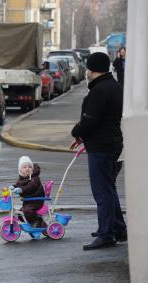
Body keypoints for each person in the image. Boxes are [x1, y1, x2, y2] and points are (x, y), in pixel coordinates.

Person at [70, 52, 127, 250]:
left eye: (87, 68)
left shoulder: (99, 90)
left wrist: (76, 132)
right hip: (112, 143)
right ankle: (118, 228)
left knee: (102, 191)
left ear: (92, 69)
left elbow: (90, 119)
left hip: (102, 147)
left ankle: (106, 234)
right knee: (108, 189)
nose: (86, 71)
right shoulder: (114, 86)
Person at [10, 156, 46, 228]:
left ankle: (37, 221)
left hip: (36, 200)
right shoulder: (23, 178)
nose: (27, 168)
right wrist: (13, 187)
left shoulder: (34, 178)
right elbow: (18, 184)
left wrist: (21, 190)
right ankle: (31, 222)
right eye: (25, 167)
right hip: (28, 201)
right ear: (20, 170)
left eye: (29, 167)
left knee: (27, 211)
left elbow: (30, 187)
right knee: (20, 214)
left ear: (32, 169)